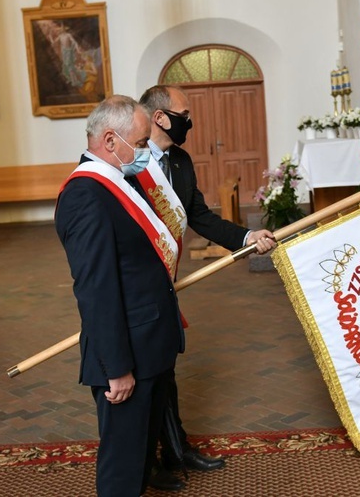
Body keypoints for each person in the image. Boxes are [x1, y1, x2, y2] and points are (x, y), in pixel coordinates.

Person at [138, 84, 276, 491]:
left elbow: (198, 215)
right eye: (184, 113)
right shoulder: (131, 161)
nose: (190, 122)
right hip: (137, 287)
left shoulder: (179, 161)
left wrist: (247, 238)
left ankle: (176, 450)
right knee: (147, 375)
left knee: (166, 369)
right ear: (160, 117)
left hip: (166, 280)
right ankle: (147, 463)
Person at [55, 94, 184, 496]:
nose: (146, 151)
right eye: (142, 142)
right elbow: (96, 289)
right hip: (127, 355)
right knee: (122, 468)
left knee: (142, 456)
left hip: (151, 344)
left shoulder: (119, 182)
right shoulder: (85, 195)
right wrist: (116, 368)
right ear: (111, 141)